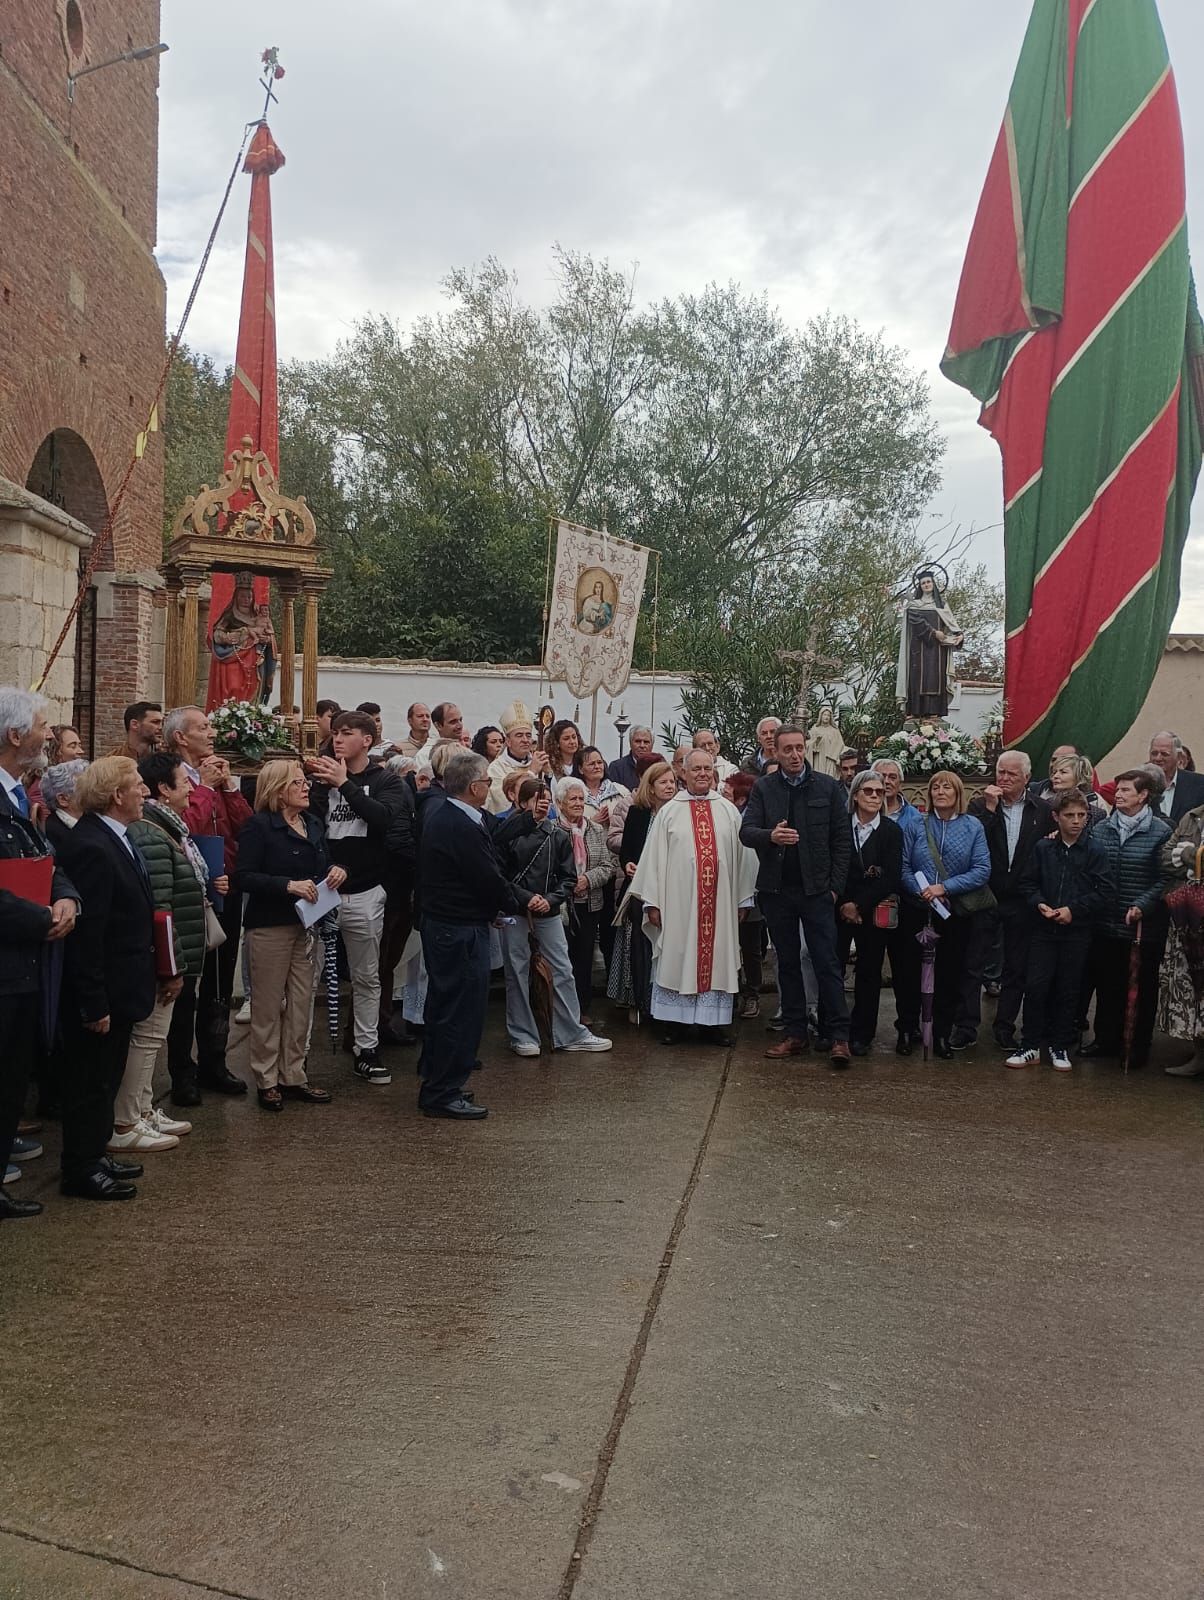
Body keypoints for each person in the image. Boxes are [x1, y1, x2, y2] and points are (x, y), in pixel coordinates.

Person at [56, 757, 157, 1201]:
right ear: (117, 795)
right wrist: (94, 1002)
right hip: (104, 991)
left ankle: (96, 1154)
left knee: (106, 1078)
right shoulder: (92, 846)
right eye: (138, 786)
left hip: (124, 984)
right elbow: (89, 934)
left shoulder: (116, 838)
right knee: (90, 1082)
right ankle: (80, 1167)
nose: (146, 793)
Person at [416, 751, 534, 1118]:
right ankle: (441, 1093)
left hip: (454, 923)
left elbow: (493, 840)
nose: (489, 786)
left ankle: (441, 1081)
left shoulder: (455, 814)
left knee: (447, 1007)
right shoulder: (457, 824)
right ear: (474, 786)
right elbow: (486, 878)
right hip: (457, 929)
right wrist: (517, 904)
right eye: (487, 781)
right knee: (459, 1011)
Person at [0, 690, 80, 1218]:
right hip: (9, 957)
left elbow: (43, 857)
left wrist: (66, 896)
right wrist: (40, 919)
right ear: (13, 735)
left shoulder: (14, 796)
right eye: (43, 726)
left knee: (11, 1075)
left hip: (22, 961)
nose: (49, 736)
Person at [111, 752, 211, 1152]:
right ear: (164, 790)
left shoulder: (167, 826)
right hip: (163, 956)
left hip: (172, 950)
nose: (191, 788)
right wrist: (170, 966)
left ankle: (143, 1108)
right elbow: (162, 906)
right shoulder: (151, 833)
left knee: (155, 1036)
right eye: (184, 782)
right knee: (148, 1037)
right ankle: (126, 1120)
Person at [233, 762, 345, 1111]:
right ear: (278, 789)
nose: (306, 787)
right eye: (297, 783)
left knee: (301, 1003)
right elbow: (244, 876)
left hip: (306, 925)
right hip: (270, 924)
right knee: (268, 1005)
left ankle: (294, 1074)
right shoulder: (260, 827)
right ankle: (266, 1078)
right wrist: (287, 886)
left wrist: (336, 872)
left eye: (305, 782)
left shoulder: (312, 823)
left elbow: (320, 865)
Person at [307, 711, 408, 1085]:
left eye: (346, 733)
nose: (337, 740)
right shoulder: (319, 781)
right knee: (308, 976)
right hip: (322, 892)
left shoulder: (386, 781)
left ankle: (366, 1049)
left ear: (366, 740)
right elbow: (311, 829)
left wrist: (345, 784)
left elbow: (383, 819)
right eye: (334, 733)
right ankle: (297, 1057)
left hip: (366, 891)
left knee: (367, 977)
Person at [740, 724, 851, 1063]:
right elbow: (747, 831)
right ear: (774, 751)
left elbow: (842, 841)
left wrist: (834, 889)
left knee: (826, 963)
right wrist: (770, 836)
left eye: (799, 748)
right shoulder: (764, 787)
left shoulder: (828, 788)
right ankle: (794, 1033)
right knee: (786, 964)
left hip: (817, 892)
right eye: (786, 749)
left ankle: (838, 1037)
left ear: (806, 749)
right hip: (777, 891)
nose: (793, 754)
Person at [634, 750, 758, 1045]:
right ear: (683, 774)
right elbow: (653, 859)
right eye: (696, 769)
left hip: (720, 904)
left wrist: (743, 899)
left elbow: (745, 858)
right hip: (679, 905)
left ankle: (711, 1024)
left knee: (717, 959)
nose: (702, 773)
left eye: (707, 769)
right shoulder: (669, 812)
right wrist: (652, 902)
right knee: (678, 956)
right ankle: (675, 1023)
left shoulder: (728, 810)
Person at [163, 705, 252, 1102]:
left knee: (219, 980)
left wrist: (229, 788)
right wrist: (203, 788)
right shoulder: (168, 775)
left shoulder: (216, 777)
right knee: (188, 986)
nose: (212, 732)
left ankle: (215, 1061)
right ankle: (182, 1071)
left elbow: (244, 828)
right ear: (181, 737)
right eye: (203, 727)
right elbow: (187, 826)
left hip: (225, 887)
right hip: (188, 896)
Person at [493, 778, 612, 1056]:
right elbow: (499, 876)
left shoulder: (557, 834)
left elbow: (568, 877)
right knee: (517, 972)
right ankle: (522, 1034)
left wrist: (550, 900)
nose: (543, 805)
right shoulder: (505, 834)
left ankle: (570, 1032)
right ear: (522, 803)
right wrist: (525, 898)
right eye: (537, 799)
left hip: (548, 911)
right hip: (515, 910)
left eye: (546, 800)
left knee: (562, 969)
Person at [1007, 791, 1110, 1071]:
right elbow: (1027, 883)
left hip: (1076, 931)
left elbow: (1103, 892)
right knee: (1036, 986)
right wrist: (1039, 903)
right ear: (1056, 817)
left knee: (1068, 988)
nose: (1076, 821)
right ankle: (1029, 1045)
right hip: (1042, 929)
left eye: (1081, 815)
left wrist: (1073, 910)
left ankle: (1060, 1045)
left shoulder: (1095, 850)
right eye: (1069, 816)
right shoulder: (1043, 848)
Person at [1080, 769, 1171, 1069]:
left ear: (1143, 795)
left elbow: (1165, 879)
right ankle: (1105, 1040)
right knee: (1108, 986)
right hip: (1106, 922)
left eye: (1125, 791)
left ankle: (1136, 1046)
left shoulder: (1160, 832)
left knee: (1141, 988)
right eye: (1117, 790)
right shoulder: (1102, 828)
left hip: (1143, 927)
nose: (1117, 795)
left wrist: (1143, 905)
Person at [905, 770, 992, 1058]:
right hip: (919, 909)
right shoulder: (917, 824)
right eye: (935, 787)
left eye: (947, 787)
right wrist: (921, 891)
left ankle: (941, 1033)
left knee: (950, 973)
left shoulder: (972, 826)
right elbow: (903, 864)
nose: (940, 791)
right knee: (910, 972)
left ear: (958, 793)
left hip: (954, 912)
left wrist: (944, 887)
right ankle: (909, 1029)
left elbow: (981, 869)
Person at [968, 750, 1046, 1048]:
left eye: (1011, 774)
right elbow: (974, 842)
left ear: (1026, 777)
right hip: (985, 895)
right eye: (1000, 772)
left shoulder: (1042, 809)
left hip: (1022, 899)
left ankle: (1004, 1027)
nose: (1003, 778)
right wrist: (990, 810)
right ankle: (967, 1026)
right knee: (974, 963)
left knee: (1016, 968)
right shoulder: (980, 806)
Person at [836, 771, 904, 1056]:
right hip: (839, 908)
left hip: (872, 911)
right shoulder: (840, 826)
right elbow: (833, 865)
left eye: (879, 792)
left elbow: (890, 876)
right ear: (855, 795)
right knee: (833, 968)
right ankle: (834, 1028)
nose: (875, 796)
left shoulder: (890, 831)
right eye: (869, 791)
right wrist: (844, 903)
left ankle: (863, 1033)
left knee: (869, 972)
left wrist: (859, 905)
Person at [608, 760, 677, 1021]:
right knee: (639, 946)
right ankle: (641, 1001)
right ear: (650, 786)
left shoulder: (678, 813)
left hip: (671, 891)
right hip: (640, 890)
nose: (669, 786)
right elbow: (627, 849)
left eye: (672, 781)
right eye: (663, 782)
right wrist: (629, 864)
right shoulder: (638, 813)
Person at [869, 757, 928, 1053]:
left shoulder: (915, 818)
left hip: (906, 901)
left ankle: (907, 1026)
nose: (887, 780)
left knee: (907, 969)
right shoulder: (862, 813)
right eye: (882, 776)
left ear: (900, 783)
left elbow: (918, 859)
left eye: (893, 776)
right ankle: (863, 1030)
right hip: (871, 901)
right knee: (869, 968)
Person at [555, 776, 617, 1026]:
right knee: (562, 959)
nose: (579, 803)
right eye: (573, 799)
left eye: (581, 798)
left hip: (590, 905)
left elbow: (608, 865)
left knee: (583, 960)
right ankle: (560, 1010)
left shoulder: (595, 829)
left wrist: (587, 880)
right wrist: (569, 885)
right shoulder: (552, 830)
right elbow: (548, 868)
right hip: (561, 906)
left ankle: (581, 1008)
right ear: (560, 803)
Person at [1158, 800, 1204, 1076]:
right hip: (1190, 919)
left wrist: (1191, 856)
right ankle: (1199, 1056)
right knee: (1194, 989)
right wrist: (1191, 858)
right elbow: (1164, 858)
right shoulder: (1192, 817)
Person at [725, 772, 766, 1020]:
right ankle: (731, 992)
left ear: (740, 800)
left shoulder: (751, 822)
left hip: (750, 892)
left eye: (728, 794)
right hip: (723, 892)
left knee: (751, 947)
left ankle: (752, 994)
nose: (722, 797)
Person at [897, 570, 964, 719]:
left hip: (937, 650)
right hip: (918, 649)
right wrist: (934, 633)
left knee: (935, 678)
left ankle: (934, 711)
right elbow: (916, 621)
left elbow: (952, 624)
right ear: (920, 586)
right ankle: (915, 711)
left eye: (928, 582)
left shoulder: (942, 605)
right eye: (923, 583)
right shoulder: (915, 605)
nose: (926, 585)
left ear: (933, 584)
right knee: (917, 678)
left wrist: (959, 635)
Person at [209, 572, 276, 705]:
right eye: (243, 596)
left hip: (256, 661)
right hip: (234, 660)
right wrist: (232, 637)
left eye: (249, 597)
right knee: (234, 687)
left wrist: (268, 640)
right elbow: (217, 635)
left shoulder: (260, 617)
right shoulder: (230, 615)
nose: (246, 600)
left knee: (256, 686)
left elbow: (271, 636)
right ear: (236, 597)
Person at [486, 701, 549, 813]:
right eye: (519, 735)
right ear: (508, 741)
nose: (525, 740)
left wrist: (548, 774)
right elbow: (504, 802)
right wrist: (532, 773)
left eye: (528, 735)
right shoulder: (496, 769)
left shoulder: (537, 762)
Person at [1148, 731, 1204, 823]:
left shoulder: (1199, 784)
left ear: (1178, 756)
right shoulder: (1137, 783)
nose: (1158, 758)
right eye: (1154, 753)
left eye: (1164, 754)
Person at [1044, 753, 1107, 830]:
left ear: (1079, 776)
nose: (1055, 776)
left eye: (1063, 772)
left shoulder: (1095, 802)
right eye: (1054, 772)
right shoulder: (1046, 803)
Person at [808, 705, 844, 779]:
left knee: (829, 778)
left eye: (828, 715)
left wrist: (836, 757)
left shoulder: (835, 731)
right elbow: (808, 745)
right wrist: (816, 741)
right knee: (818, 778)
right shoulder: (815, 729)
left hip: (830, 759)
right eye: (824, 715)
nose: (826, 717)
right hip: (818, 759)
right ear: (821, 716)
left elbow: (840, 745)